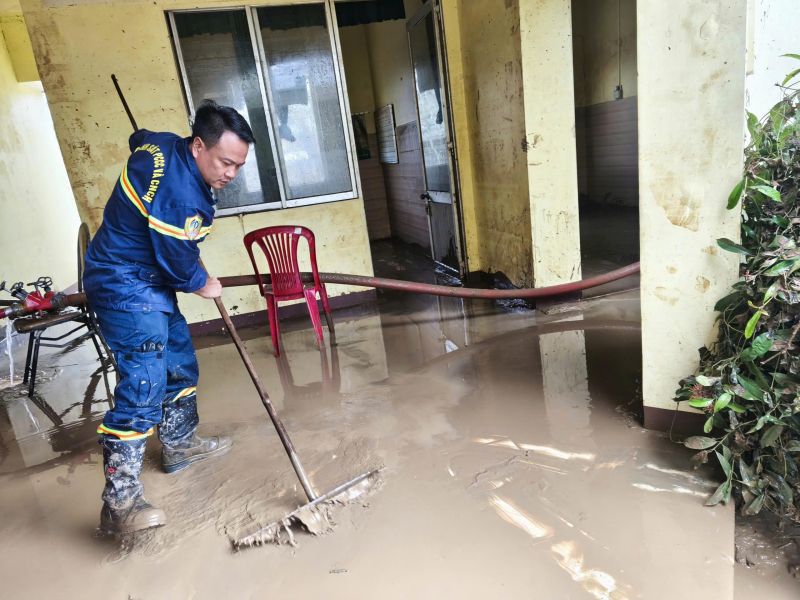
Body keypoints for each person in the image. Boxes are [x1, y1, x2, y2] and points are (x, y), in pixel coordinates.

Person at [83, 100, 254, 533]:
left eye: (238, 166)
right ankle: (119, 504)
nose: (230, 174)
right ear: (198, 145)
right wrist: (203, 282)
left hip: (146, 280)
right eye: (225, 162)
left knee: (177, 359)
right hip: (125, 282)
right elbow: (178, 262)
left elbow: (138, 139)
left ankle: (179, 445)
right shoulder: (183, 195)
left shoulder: (161, 144)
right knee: (144, 381)